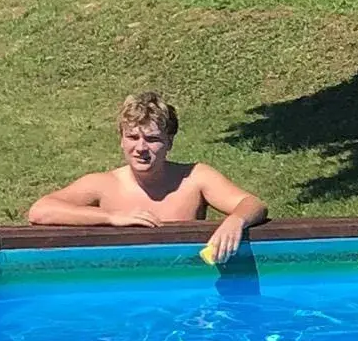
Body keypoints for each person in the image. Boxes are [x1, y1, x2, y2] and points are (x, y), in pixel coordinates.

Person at [27, 92, 267, 263]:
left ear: (169, 142)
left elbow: (253, 204)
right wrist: (111, 217)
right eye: (132, 137)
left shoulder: (194, 178)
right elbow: (40, 211)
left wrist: (235, 221)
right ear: (121, 140)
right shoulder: (104, 184)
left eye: (152, 139)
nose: (141, 148)